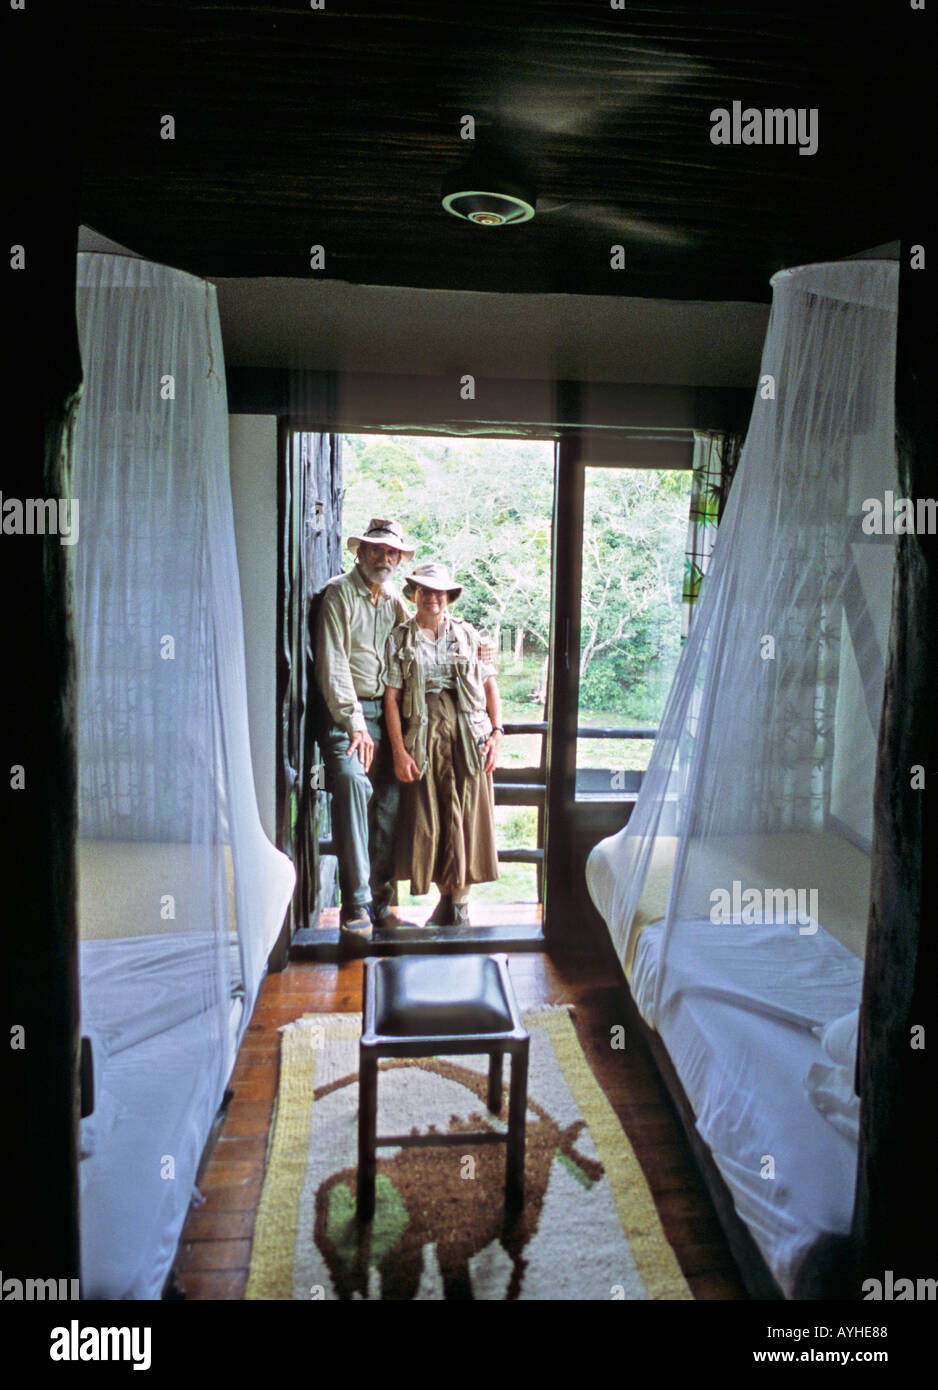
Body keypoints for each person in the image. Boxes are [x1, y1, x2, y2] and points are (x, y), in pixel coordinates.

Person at [314, 517, 416, 946]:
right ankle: (354, 905)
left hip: (387, 715)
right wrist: (355, 723)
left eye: (392, 553)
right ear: (360, 552)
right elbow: (332, 664)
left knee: (393, 797)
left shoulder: (393, 601)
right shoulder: (338, 594)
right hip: (345, 718)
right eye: (377, 550)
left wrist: (471, 645)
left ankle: (382, 903)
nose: (385, 559)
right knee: (355, 783)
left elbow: (419, 642)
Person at [384, 561, 503, 928]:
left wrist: (497, 732)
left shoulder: (469, 636)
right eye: (424, 590)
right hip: (423, 736)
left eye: (438, 592)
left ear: (448, 597)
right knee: (430, 816)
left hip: (468, 735)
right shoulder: (400, 638)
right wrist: (400, 751)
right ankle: (444, 900)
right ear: (414, 594)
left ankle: (460, 906)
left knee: (465, 814)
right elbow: (391, 698)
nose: (431, 598)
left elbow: (488, 686)